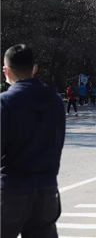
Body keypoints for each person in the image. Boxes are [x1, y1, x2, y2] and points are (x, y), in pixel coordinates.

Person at [1, 44, 66, 238]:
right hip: (47, 189)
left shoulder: (5, 102)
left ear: (6, 70)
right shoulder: (54, 101)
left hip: (12, 188)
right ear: (34, 68)